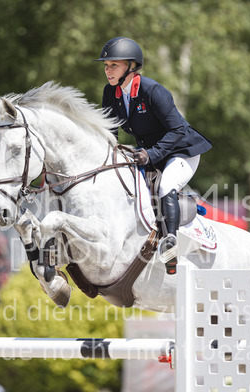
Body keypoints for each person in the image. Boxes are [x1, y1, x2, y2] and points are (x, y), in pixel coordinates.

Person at [96, 37, 212, 274]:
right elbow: (110, 131)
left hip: (182, 151)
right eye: (106, 65)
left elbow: (178, 130)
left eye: (114, 65)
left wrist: (152, 154)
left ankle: (170, 243)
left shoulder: (153, 91)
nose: (108, 70)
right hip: (151, 154)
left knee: (166, 185)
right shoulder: (110, 93)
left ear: (131, 66)